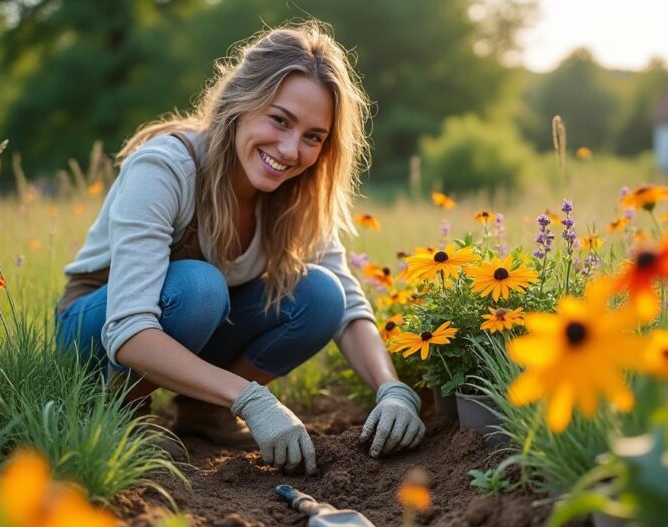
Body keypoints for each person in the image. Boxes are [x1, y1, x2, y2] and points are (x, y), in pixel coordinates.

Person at [55, 22, 424, 475]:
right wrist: (250, 399)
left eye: (313, 136)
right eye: (280, 120)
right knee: (200, 288)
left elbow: (345, 303)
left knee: (321, 295)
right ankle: (120, 411)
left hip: (187, 325)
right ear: (240, 102)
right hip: (97, 328)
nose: (290, 150)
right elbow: (128, 328)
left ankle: (202, 411)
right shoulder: (166, 167)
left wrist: (391, 388)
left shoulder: (299, 194)